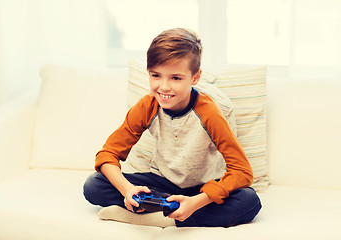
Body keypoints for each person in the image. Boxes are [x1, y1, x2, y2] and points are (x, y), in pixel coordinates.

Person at [83, 28, 261, 228]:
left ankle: (156, 216)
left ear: (195, 78)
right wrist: (127, 190)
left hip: (202, 190)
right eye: (156, 75)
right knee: (94, 185)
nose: (164, 87)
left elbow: (242, 172)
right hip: (163, 183)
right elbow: (107, 154)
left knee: (249, 201)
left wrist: (196, 202)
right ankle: (168, 208)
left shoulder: (210, 113)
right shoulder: (147, 106)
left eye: (175, 78)